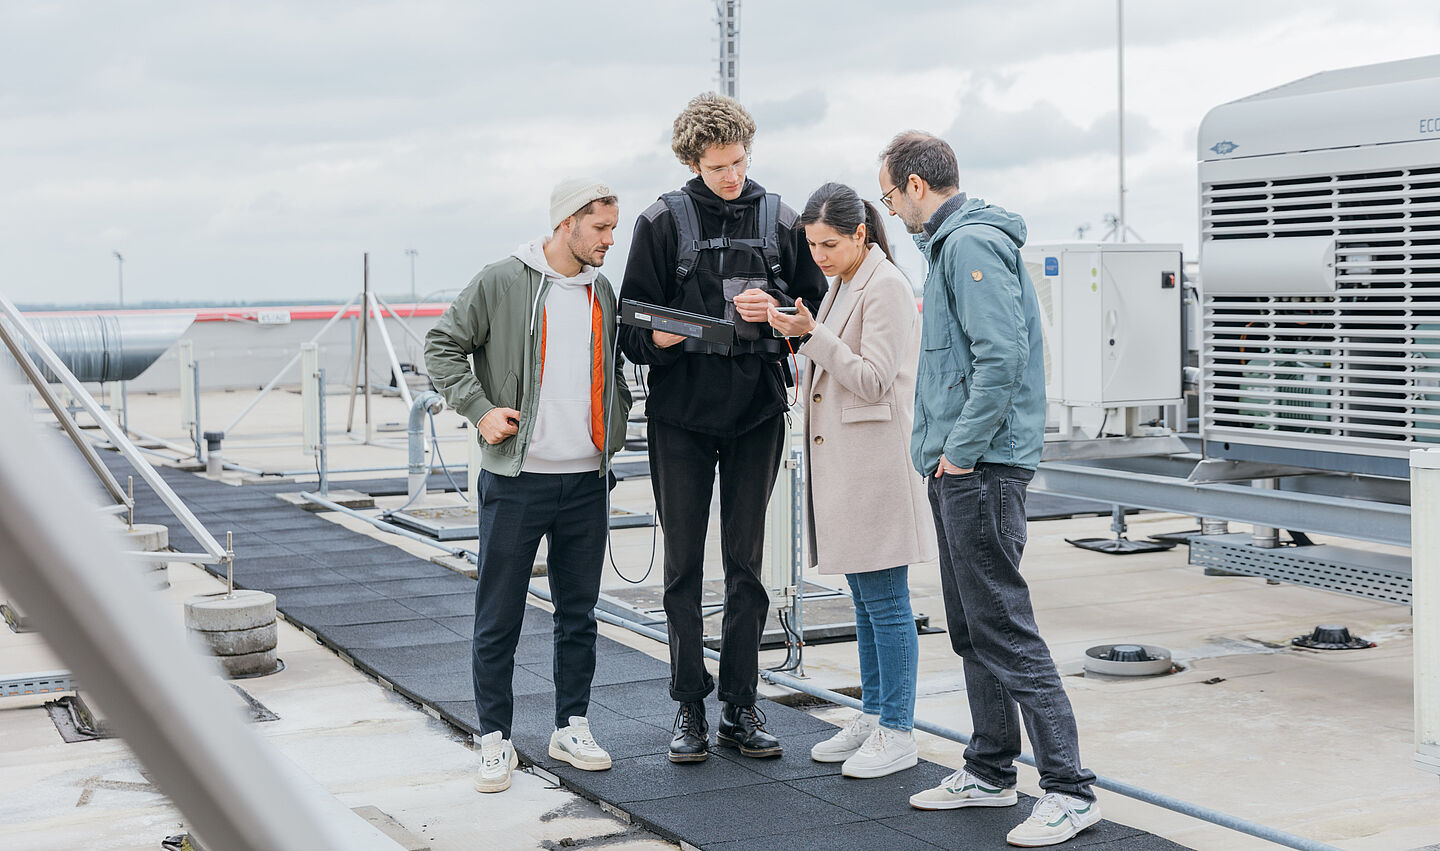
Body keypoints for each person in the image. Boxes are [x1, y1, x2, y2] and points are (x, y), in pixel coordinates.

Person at [877, 132, 1101, 847]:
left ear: (916, 185)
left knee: (1004, 625)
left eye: (888, 196)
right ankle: (990, 768)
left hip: (981, 469)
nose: (890, 209)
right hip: (964, 468)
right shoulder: (949, 247)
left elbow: (999, 358)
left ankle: (1068, 788)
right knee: (974, 628)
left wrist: (961, 455)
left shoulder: (969, 246)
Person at [618, 93, 827, 764]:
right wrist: (682, 330)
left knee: (748, 566)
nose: (732, 177)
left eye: (740, 161)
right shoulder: (659, 221)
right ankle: (688, 706)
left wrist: (779, 313)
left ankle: (740, 703)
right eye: (718, 167)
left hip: (757, 413)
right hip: (679, 417)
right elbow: (632, 330)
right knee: (681, 567)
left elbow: (815, 313)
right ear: (691, 161)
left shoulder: (782, 219)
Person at [424, 178, 633, 794]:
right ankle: (494, 739)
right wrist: (481, 410)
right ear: (567, 223)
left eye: (613, 228)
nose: (609, 241)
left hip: (586, 479)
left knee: (579, 615)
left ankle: (572, 725)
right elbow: (442, 346)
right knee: (499, 616)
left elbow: (610, 365)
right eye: (600, 228)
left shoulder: (602, 289)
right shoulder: (504, 279)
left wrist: (614, 416)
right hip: (517, 481)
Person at [766, 182, 937, 779]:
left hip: (876, 467)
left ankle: (897, 728)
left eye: (829, 243)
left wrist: (810, 335)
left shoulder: (885, 285)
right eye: (812, 244)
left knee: (887, 603)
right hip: (851, 464)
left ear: (861, 234)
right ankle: (874, 712)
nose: (819, 255)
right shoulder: (845, 281)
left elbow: (874, 379)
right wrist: (804, 333)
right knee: (865, 603)